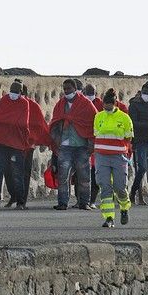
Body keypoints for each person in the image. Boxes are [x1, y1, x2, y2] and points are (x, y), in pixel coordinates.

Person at [0, 80, 49, 210]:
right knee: (1, 172)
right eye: (12, 90)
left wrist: (29, 140)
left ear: (21, 93)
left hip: (21, 144)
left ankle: (21, 201)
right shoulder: (5, 100)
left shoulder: (27, 104)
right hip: (4, 142)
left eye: (16, 91)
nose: (13, 94)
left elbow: (31, 125)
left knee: (21, 173)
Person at [49, 79, 96, 211]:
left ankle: (84, 202)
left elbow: (93, 122)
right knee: (63, 175)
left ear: (75, 89)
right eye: (64, 89)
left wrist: (91, 144)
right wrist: (56, 138)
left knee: (84, 175)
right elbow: (55, 121)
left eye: (69, 89)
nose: (66, 91)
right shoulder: (60, 104)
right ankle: (63, 202)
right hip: (64, 145)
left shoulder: (86, 104)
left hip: (81, 145)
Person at [92, 89, 134, 228]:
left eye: (109, 104)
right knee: (104, 186)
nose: (107, 107)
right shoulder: (98, 116)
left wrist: (127, 155)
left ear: (115, 103)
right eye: (105, 104)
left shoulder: (124, 118)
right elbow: (96, 135)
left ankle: (124, 207)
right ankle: (109, 217)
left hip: (118, 157)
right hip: (102, 156)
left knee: (119, 187)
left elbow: (128, 138)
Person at [127, 80, 148, 208]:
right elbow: (133, 122)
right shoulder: (134, 104)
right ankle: (133, 192)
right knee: (141, 168)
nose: (147, 95)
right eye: (145, 92)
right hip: (140, 141)